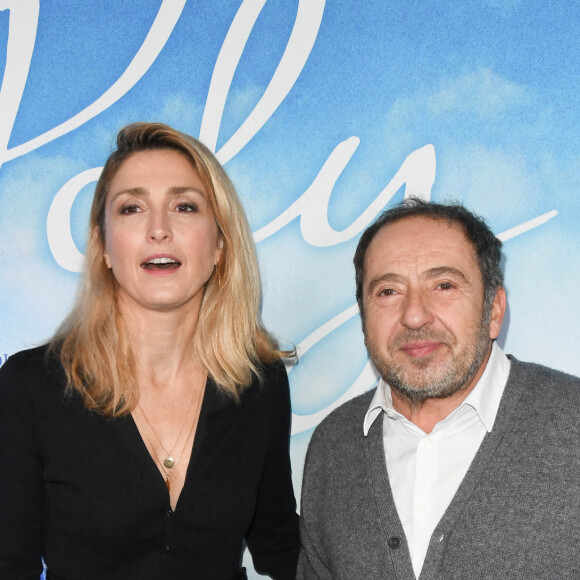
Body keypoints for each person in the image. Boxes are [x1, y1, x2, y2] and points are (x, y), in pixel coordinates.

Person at [0, 123, 299, 580]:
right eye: (132, 208)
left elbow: (280, 546)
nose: (159, 229)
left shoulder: (258, 382)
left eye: (184, 206)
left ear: (219, 243)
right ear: (102, 245)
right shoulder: (30, 386)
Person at [298, 198, 580, 579]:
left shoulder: (572, 423)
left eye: (444, 285)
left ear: (493, 311)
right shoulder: (334, 445)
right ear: (364, 316)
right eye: (388, 292)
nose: (414, 315)